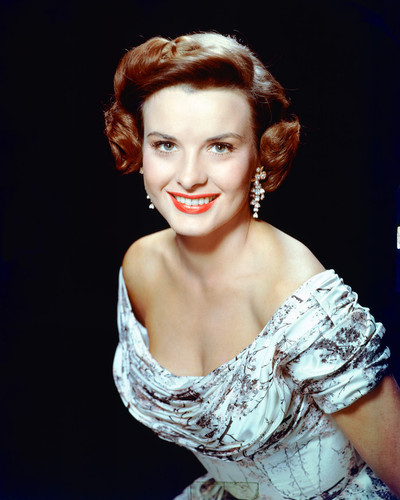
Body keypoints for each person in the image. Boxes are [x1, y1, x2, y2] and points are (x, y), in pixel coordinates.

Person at [104, 32, 400, 499]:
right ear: (139, 150)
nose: (188, 176)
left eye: (220, 146)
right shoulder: (141, 265)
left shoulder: (301, 301)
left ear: (260, 156)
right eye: (166, 145)